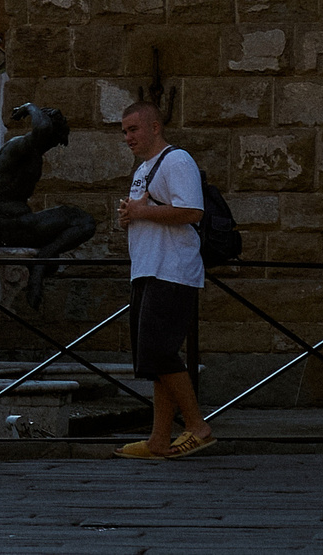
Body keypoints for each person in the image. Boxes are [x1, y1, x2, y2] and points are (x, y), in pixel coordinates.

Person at [116, 99, 214, 459]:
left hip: (172, 271)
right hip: (147, 268)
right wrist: (131, 216)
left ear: (155, 127)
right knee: (154, 359)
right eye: (125, 131)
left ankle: (197, 426)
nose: (128, 137)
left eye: (134, 129)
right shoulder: (143, 169)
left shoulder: (177, 160)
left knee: (159, 351)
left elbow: (192, 210)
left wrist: (143, 211)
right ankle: (159, 438)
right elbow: (149, 211)